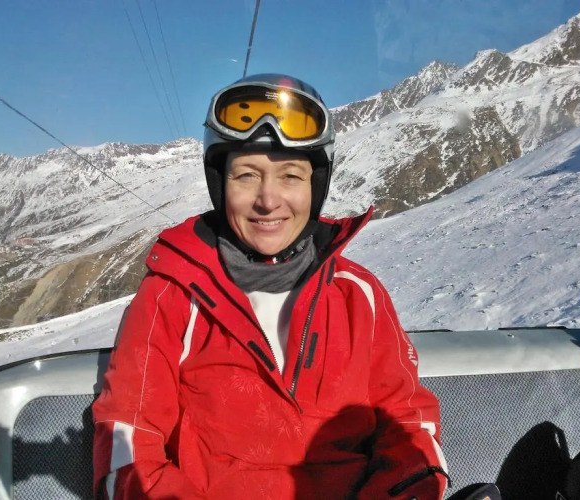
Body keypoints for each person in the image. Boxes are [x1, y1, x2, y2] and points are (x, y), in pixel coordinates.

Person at [92, 73, 449, 499]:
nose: (268, 200)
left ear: (315, 186)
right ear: (220, 183)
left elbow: (407, 422)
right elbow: (130, 438)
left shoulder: (357, 295)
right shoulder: (174, 294)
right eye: (246, 175)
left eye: (290, 176)